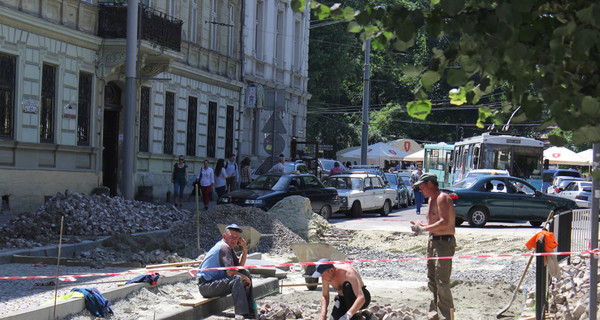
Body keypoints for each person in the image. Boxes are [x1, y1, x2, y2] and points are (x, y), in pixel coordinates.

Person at [409, 173, 456, 320]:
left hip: (444, 242)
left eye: (422, 186)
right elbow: (433, 224)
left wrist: (423, 229)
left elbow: (444, 222)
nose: (420, 189)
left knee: (442, 281)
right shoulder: (431, 200)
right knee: (432, 280)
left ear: (430, 184)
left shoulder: (442, 198)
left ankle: (446, 316)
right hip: (434, 241)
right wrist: (421, 226)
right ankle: (434, 315)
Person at [197, 224, 256, 319]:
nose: (234, 240)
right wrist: (244, 278)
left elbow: (240, 267)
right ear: (224, 236)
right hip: (206, 286)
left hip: (214, 283)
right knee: (237, 278)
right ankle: (241, 313)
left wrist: (244, 249)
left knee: (245, 273)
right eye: (232, 237)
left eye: (236, 238)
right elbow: (230, 272)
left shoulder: (230, 248)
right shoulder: (224, 247)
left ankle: (250, 310)